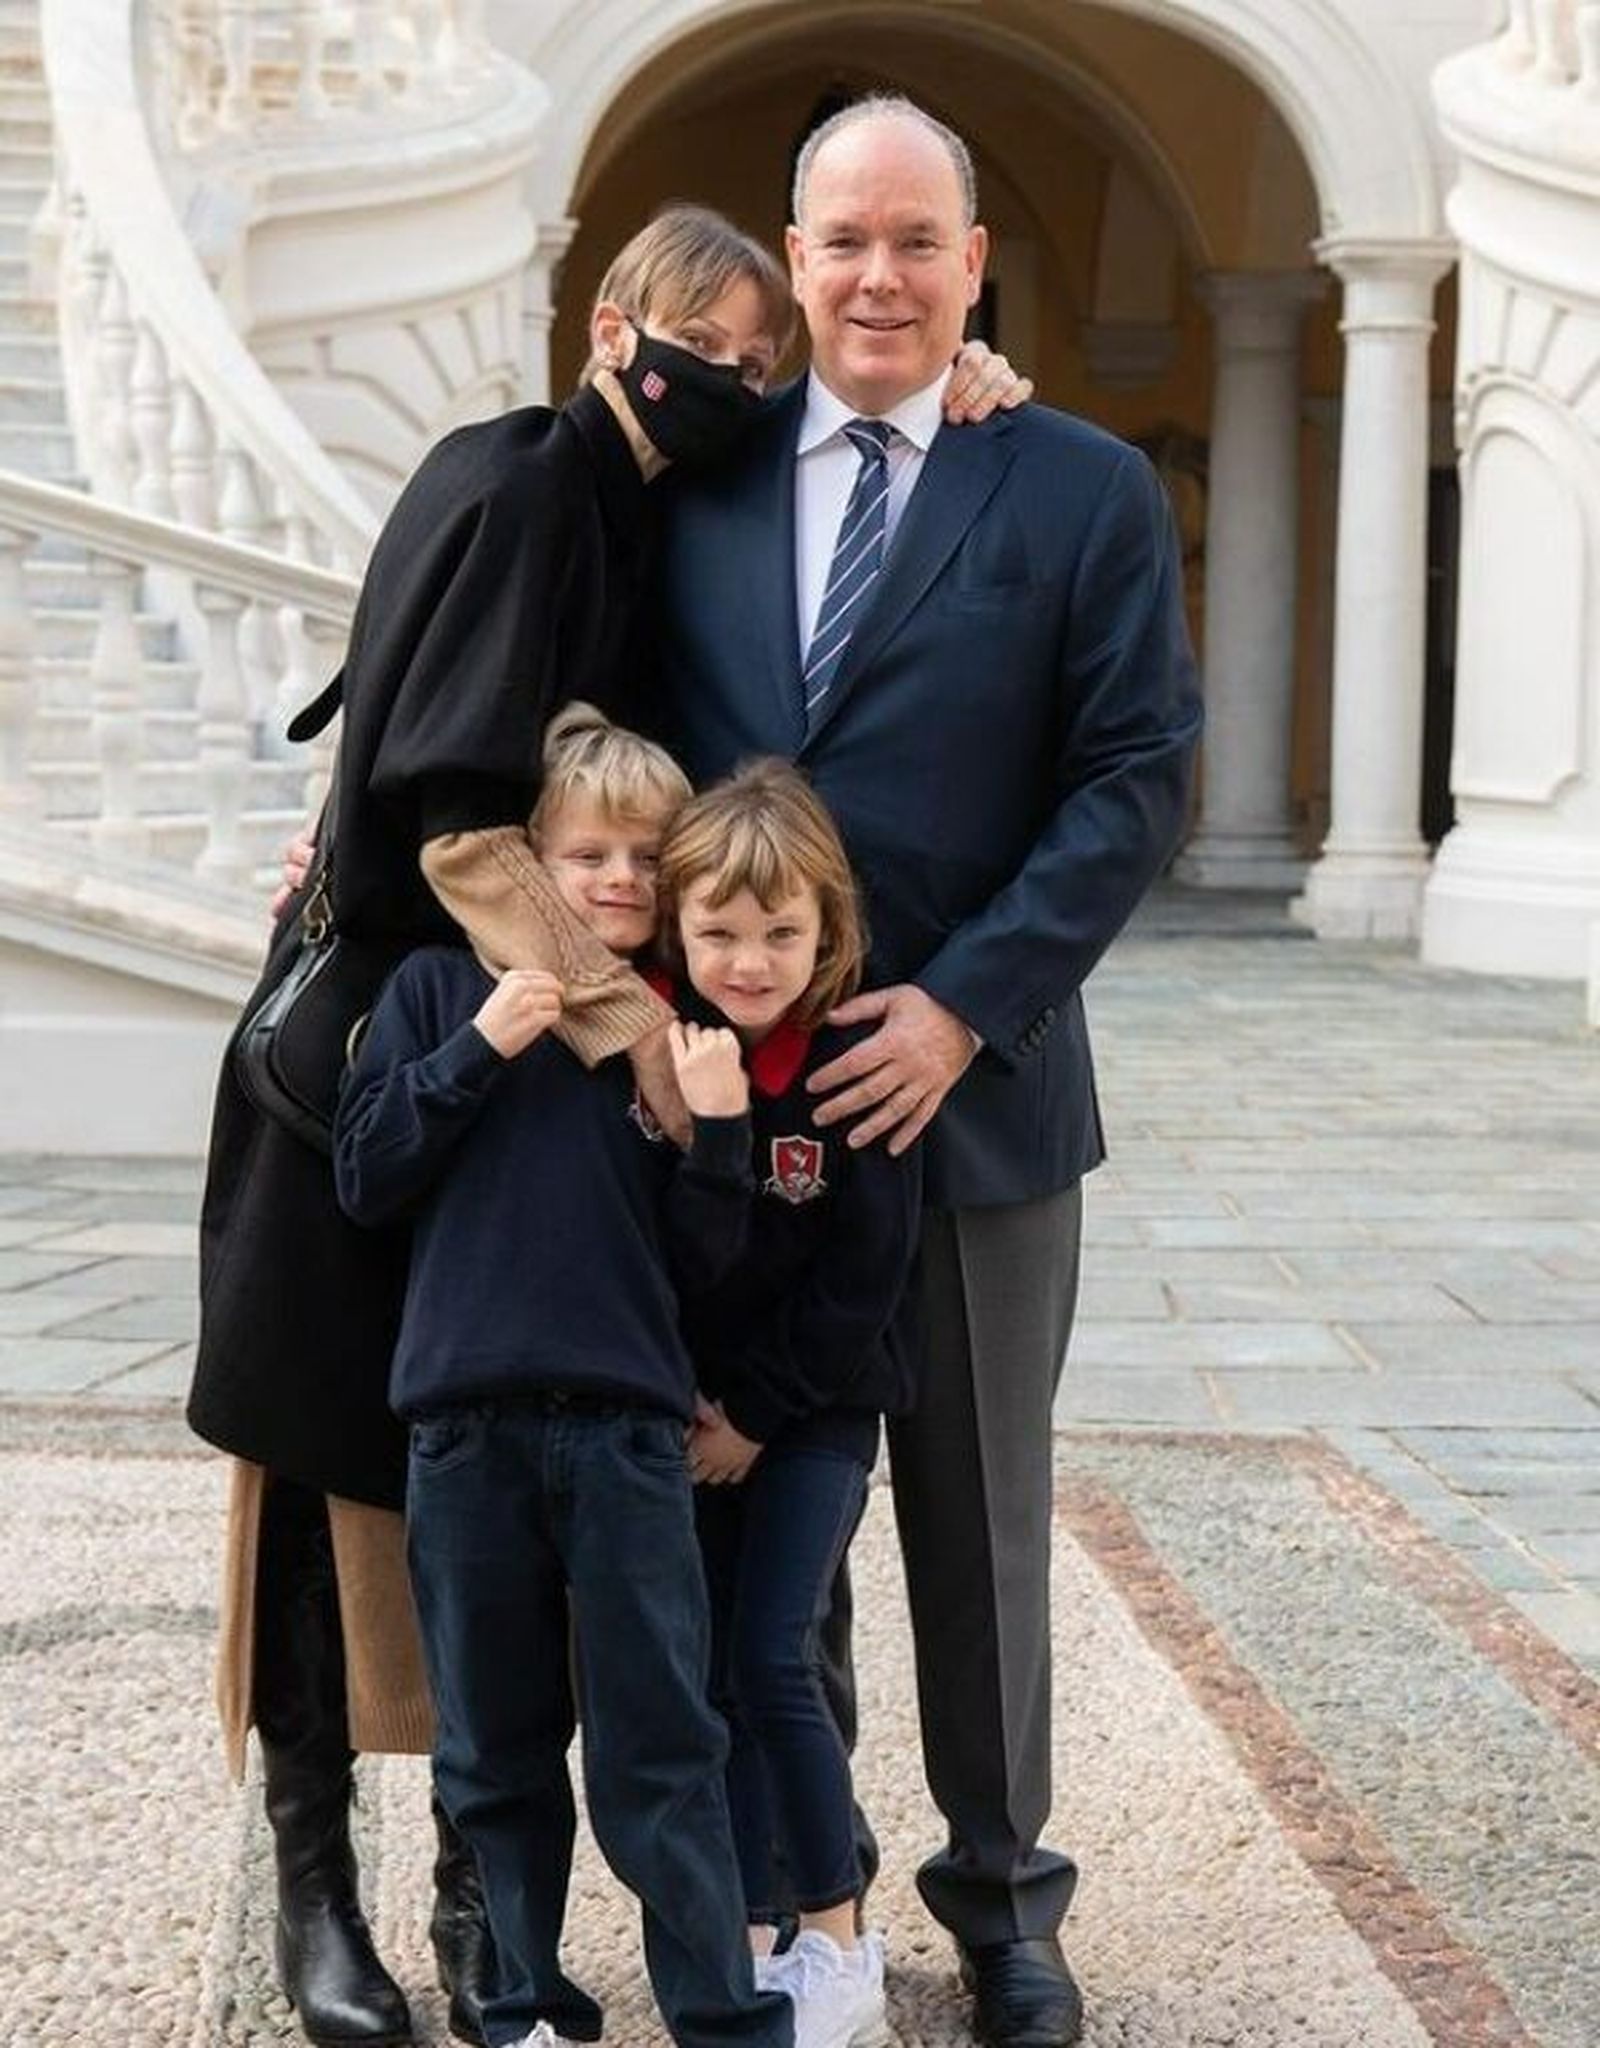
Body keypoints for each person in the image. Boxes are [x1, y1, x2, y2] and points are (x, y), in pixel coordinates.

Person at [187, 206, 798, 2048]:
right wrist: (621, 1029)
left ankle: (483, 1903)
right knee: (317, 1470)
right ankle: (315, 1890)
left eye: (763, 366)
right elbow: (452, 816)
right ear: (616, 326)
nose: (739, 385)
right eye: (714, 345)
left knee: (455, 1484)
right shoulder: (532, 477)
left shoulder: (607, 494)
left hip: (498, 1035)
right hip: (390, 1043)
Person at [650, 98, 1204, 2048]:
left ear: (975, 263)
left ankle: (1000, 1899)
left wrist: (963, 1003)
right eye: (840, 241)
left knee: (976, 1529)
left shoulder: (1070, 487)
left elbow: (1133, 772)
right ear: (790, 264)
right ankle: (805, 1897)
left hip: (974, 1107)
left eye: (913, 242)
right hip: (734, 1119)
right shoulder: (691, 483)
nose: (875, 277)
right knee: (758, 1513)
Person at [333, 706, 791, 2048]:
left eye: (649, 859)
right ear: (535, 857)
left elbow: (712, 1270)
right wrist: (481, 1047)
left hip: (629, 1441)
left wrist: (716, 1136)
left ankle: (722, 2015)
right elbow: (367, 1180)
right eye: (589, 853)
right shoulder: (435, 990)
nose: (619, 883)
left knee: (663, 1748)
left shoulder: (678, 1035)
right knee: (494, 1748)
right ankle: (521, 2006)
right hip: (465, 1437)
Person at [655, 763, 920, 2048]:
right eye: (718, 930)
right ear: (675, 923)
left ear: (830, 930)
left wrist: (755, 1414)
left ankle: (836, 1929)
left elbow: (866, 1274)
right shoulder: (664, 1053)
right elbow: (677, 1259)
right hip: (692, 1417)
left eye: (780, 933)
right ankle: (755, 1922)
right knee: (706, 1668)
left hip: (810, 1413)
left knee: (775, 1652)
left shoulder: (850, 1061)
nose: (749, 960)